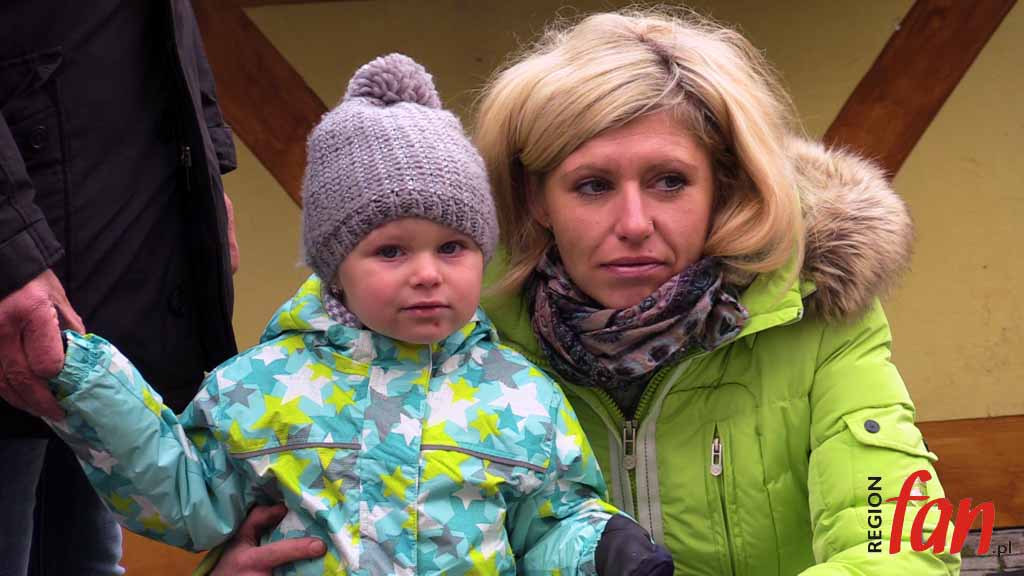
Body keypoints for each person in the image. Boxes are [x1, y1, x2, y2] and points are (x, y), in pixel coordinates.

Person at [198, 8, 964, 576]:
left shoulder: (816, 313)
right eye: (593, 185)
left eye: (669, 181)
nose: (634, 224)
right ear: (535, 198)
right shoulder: (452, 339)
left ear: (721, 186)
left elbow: (901, 538)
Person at [43, 54, 674, 576]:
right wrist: (89, 382)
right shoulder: (258, 386)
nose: (427, 273)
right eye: (391, 251)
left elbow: (550, 525)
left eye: (452, 247)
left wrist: (600, 549)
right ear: (335, 267)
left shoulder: (524, 395)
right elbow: (187, 498)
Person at [0, 2, 238, 574]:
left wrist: (207, 170)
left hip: (105, 288)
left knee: (84, 556)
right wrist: (7, 252)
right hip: (21, 289)